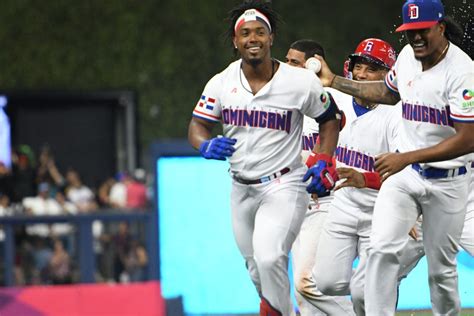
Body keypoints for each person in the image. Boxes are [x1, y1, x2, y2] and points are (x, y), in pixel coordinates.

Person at [314, 0, 474, 314]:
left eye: (422, 31)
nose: (416, 38)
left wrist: (406, 157)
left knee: (441, 276)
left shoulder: (464, 71)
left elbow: (468, 138)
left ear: (440, 28)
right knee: (374, 266)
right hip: (409, 180)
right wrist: (335, 81)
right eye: (409, 31)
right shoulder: (406, 58)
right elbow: (387, 93)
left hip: (452, 186)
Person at [187, 2, 341, 314]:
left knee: (270, 256)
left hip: (284, 184)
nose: (252, 38)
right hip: (241, 188)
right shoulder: (221, 82)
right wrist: (203, 145)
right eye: (245, 33)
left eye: (260, 32)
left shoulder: (299, 81)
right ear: (235, 41)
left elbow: (330, 118)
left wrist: (324, 157)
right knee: (257, 269)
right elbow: (197, 125)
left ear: (271, 38)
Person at [285, 39, 355, 316]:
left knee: (307, 283)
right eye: (286, 60)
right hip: (294, 202)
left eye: (295, 62)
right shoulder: (283, 98)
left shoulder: (337, 101)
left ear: (314, 64)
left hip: (326, 201)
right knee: (305, 301)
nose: (286, 66)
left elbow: (349, 151)